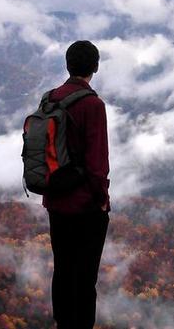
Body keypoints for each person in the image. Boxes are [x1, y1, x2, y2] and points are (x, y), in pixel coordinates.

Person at [43, 40, 110, 329]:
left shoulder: (50, 99)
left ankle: (63, 324)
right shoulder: (93, 105)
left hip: (55, 202)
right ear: (95, 67)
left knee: (63, 269)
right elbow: (97, 162)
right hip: (85, 207)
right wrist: (102, 198)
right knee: (85, 277)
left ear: (68, 65)